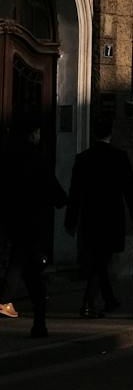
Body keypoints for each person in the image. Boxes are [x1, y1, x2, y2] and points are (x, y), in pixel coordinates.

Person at [65, 107, 133, 318]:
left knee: (99, 258)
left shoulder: (83, 159)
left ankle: (109, 299)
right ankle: (88, 304)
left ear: (93, 132)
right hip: (111, 218)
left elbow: (75, 193)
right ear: (110, 132)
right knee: (101, 261)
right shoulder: (119, 157)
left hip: (90, 217)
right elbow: (130, 188)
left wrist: (70, 221)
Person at [0, 115, 66, 338]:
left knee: (19, 263)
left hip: (13, 221)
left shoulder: (8, 157)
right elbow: (53, 190)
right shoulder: (36, 159)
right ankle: (37, 321)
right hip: (32, 223)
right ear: (32, 134)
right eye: (37, 132)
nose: (39, 136)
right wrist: (60, 199)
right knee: (32, 273)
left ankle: (7, 303)